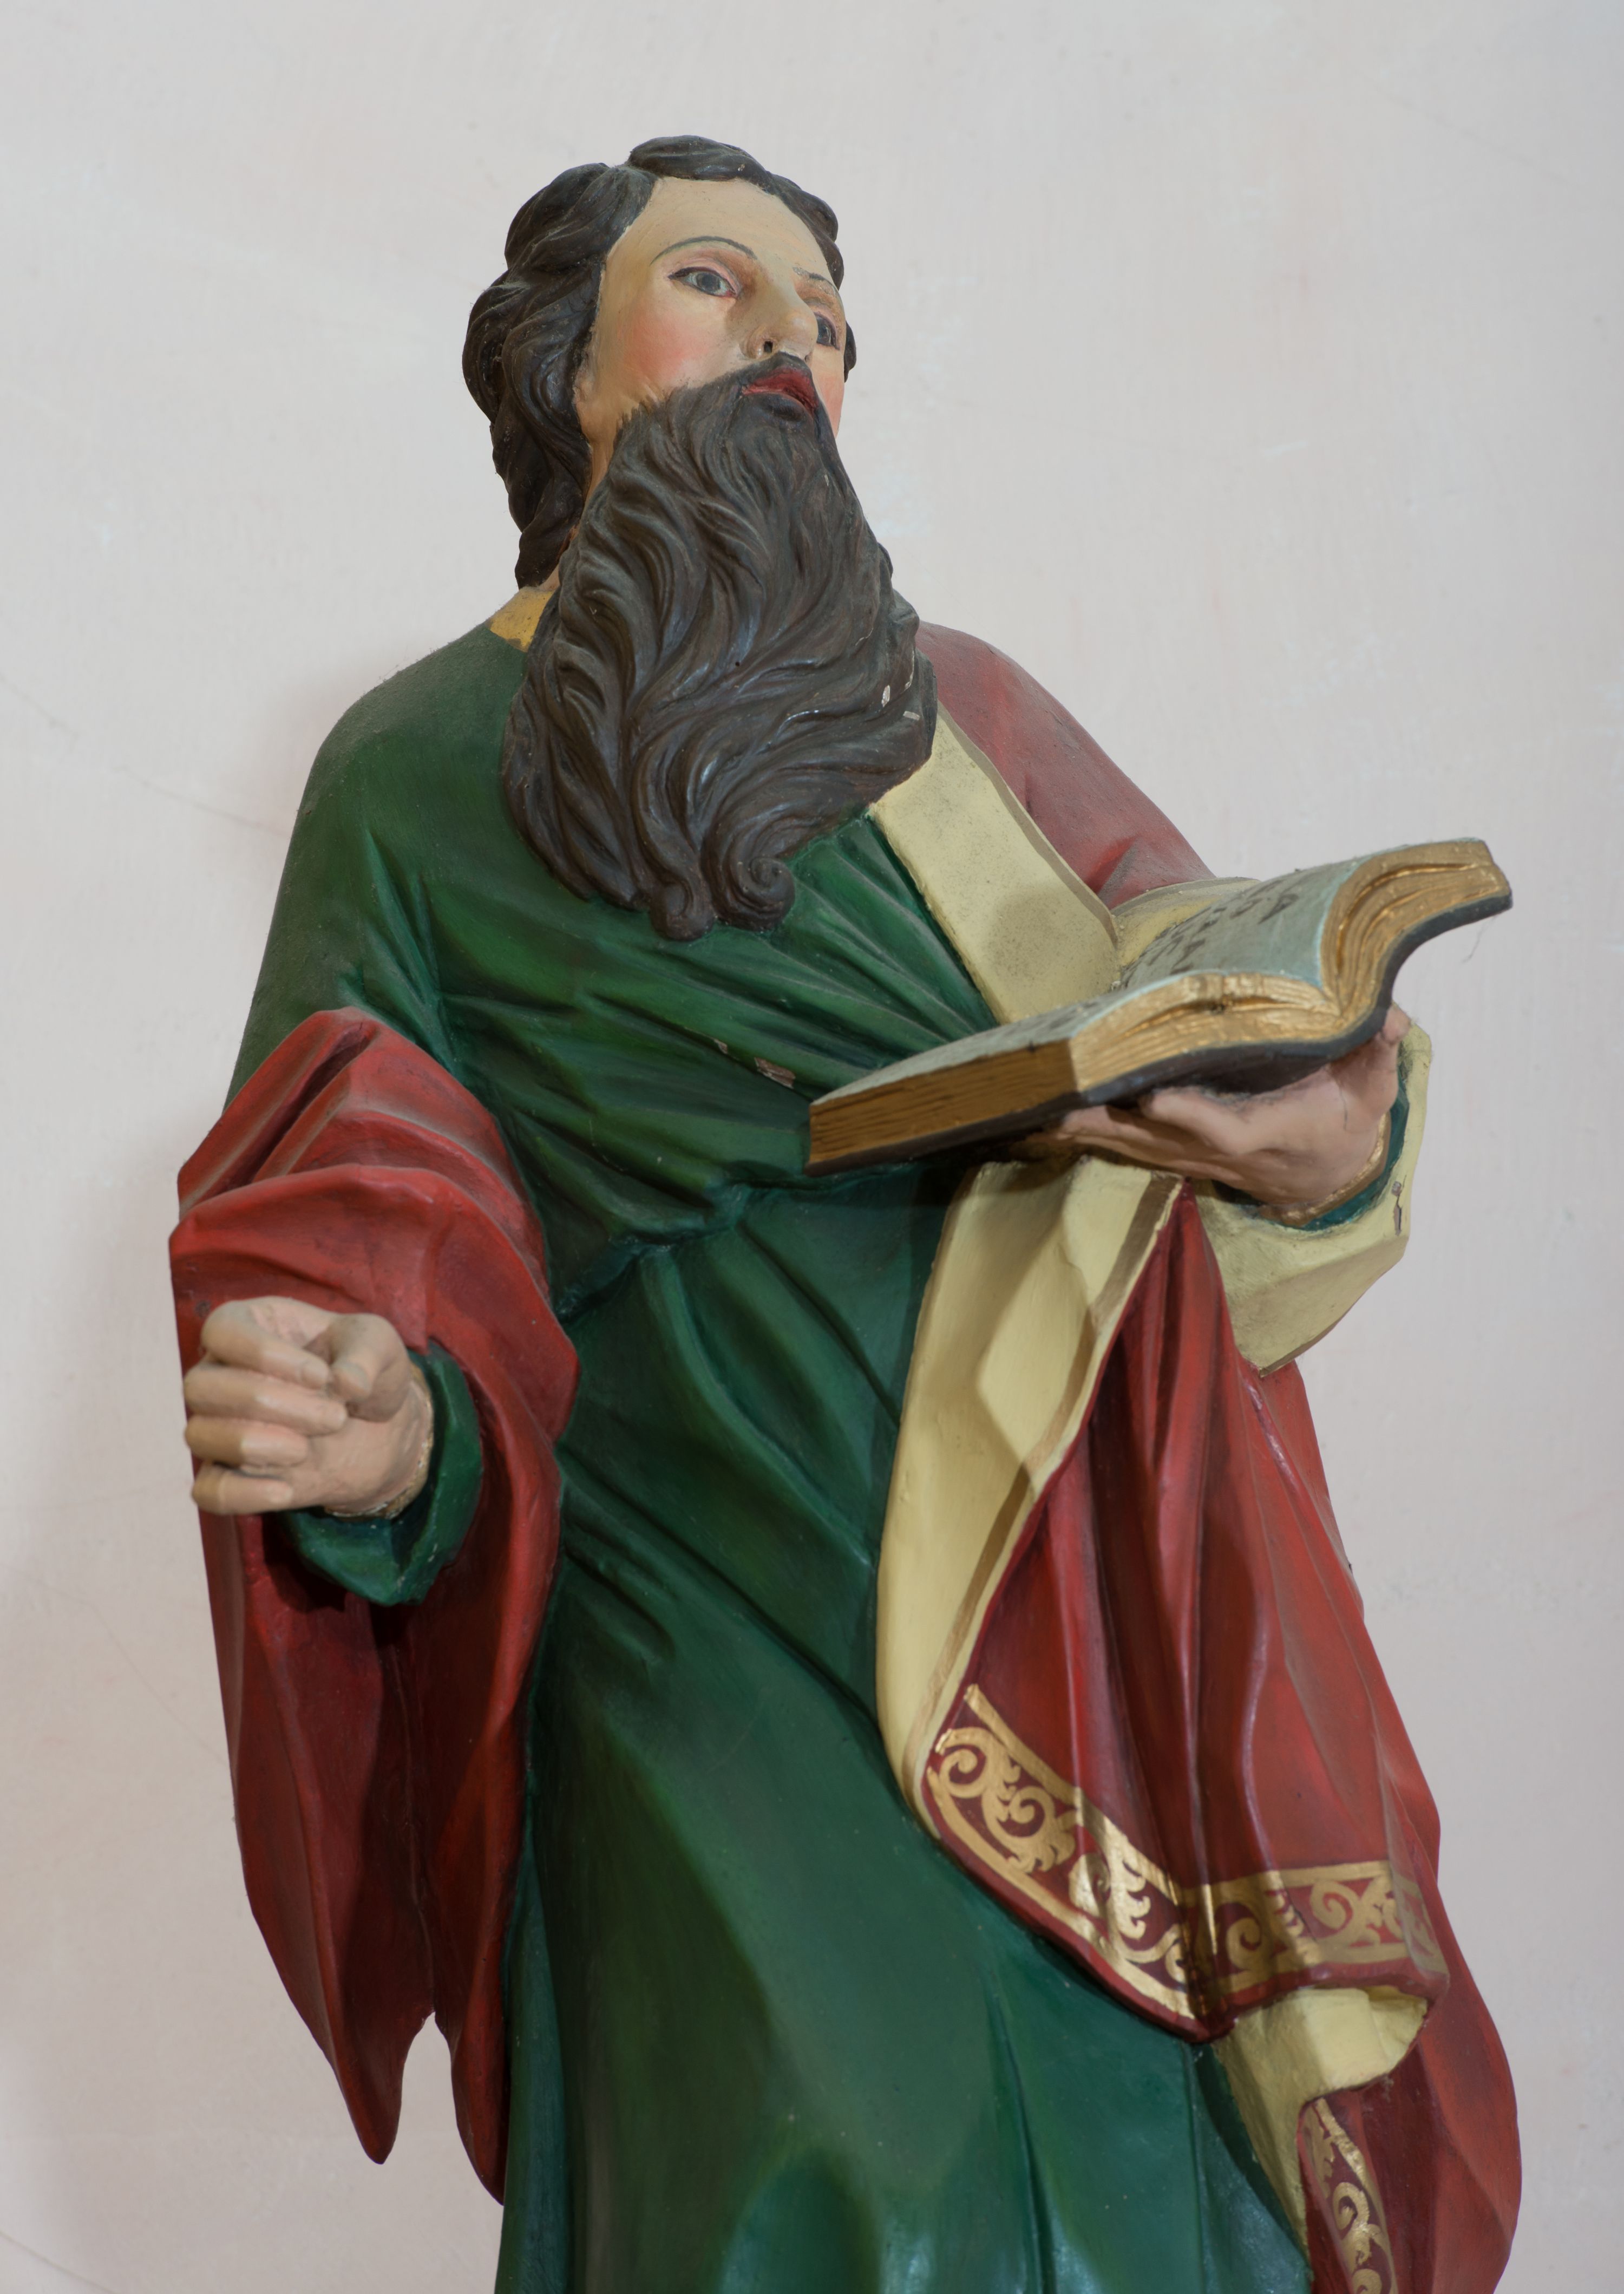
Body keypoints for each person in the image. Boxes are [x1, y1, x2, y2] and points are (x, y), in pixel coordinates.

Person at [171, 136, 1517, 2294]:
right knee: (804, 2180)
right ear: (565, 367)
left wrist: (1320, 1125)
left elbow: (1207, 981)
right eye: (721, 283)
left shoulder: (968, 715)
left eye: (829, 317)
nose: (794, 340)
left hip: (1068, 1571)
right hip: (685, 1593)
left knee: (1144, 2207)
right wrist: (386, 1419)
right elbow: (357, 1192)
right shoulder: (412, 771)